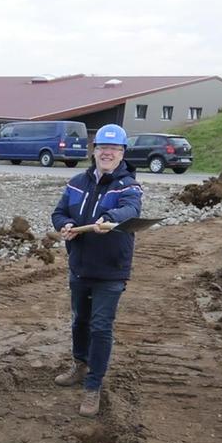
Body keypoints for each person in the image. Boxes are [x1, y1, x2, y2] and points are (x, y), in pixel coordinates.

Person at [51, 123, 144, 417]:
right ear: (95, 150)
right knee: (80, 321)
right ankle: (80, 364)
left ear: (122, 153)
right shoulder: (77, 182)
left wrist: (108, 217)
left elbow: (131, 210)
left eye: (114, 149)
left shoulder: (129, 185)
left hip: (111, 270)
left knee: (101, 327)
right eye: (103, 147)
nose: (108, 153)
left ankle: (93, 386)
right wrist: (63, 225)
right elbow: (59, 212)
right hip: (80, 266)